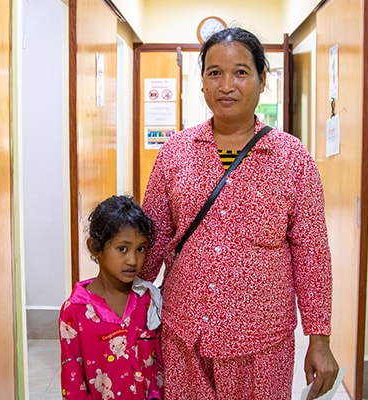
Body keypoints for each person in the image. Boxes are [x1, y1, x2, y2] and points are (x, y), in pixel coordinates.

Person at [140, 27, 339, 400]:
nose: (226, 85)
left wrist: (320, 338)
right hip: (185, 335)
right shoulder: (175, 152)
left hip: (261, 343)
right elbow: (152, 237)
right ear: (201, 83)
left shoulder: (292, 159)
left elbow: (312, 255)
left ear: (263, 80)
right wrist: (123, 305)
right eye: (214, 72)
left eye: (241, 72)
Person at [58, 195, 164, 400]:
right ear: (95, 248)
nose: (133, 260)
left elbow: (158, 364)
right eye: (122, 249)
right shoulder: (75, 310)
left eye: (140, 249)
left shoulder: (148, 301)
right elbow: (73, 381)